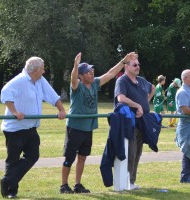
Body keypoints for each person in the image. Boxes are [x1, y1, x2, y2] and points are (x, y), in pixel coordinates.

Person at [60, 52, 138, 194]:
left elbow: (109, 74)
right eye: (88, 72)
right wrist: (76, 65)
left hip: (88, 128)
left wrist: (123, 61)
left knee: (83, 156)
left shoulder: (95, 83)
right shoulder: (77, 86)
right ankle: (64, 185)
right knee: (69, 158)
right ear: (81, 76)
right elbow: (72, 79)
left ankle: (77, 184)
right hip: (75, 127)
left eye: (92, 71)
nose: (91, 73)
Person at [0, 56, 66, 198]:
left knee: (33, 156)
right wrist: (15, 112)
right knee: (13, 160)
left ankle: (7, 180)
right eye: (42, 69)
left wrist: (61, 110)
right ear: (35, 70)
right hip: (15, 129)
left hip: (31, 128)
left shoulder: (40, 81)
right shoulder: (19, 80)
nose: (44, 71)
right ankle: (11, 190)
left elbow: (52, 96)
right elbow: (5, 93)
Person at [114, 57, 155, 189]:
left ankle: (131, 182)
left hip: (142, 123)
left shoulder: (141, 80)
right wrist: (138, 105)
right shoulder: (122, 81)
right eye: (134, 65)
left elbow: (153, 88)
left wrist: (145, 102)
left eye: (138, 64)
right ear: (126, 66)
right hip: (129, 122)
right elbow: (120, 98)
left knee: (137, 153)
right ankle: (124, 183)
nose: (137, 67)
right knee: (130, 152)